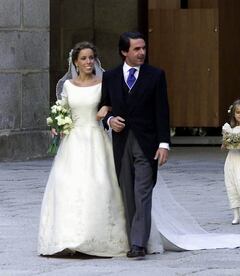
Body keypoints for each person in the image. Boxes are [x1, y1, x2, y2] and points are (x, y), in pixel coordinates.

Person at [38, 41, 129, 257]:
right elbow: (63, 109)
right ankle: (69, 238)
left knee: (99, 184)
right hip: (72, 142)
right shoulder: (68, 85)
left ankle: (97, 238)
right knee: (67, 185)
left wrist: (107, 108)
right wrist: (58, 124)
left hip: (96, 139)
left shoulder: (103, 82)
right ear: (75, 63)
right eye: (84, 59)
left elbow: (117, 102)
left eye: (91, 58)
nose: (88, 62)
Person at [100, 31, 170, 259]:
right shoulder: (110, 77)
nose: (142, 53)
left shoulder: (156, 75)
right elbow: (103, 107)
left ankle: (138, 244)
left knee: (142, 192)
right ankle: (134, 239)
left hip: (147, 143)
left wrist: (164, 144)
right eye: (136, 49)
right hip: (121, 143)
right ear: (124, 52)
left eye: (143, 48)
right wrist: (110, 121)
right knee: (128, 193)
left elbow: (162, 111)